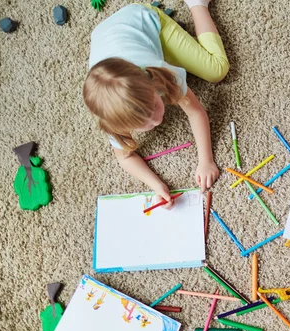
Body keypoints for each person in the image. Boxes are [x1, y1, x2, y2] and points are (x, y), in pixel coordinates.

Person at [84, 0, 228, 208]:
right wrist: (156, 185)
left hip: (144, 21)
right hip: (107, 36)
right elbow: (124, 157)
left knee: (217, 70)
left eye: (153, 107)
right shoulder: (111, 117)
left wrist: (206, 161)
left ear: (151, 84)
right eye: (144, 123)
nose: (158, 120)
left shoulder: (159, 72)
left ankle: (197, 5)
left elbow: (196, 112)